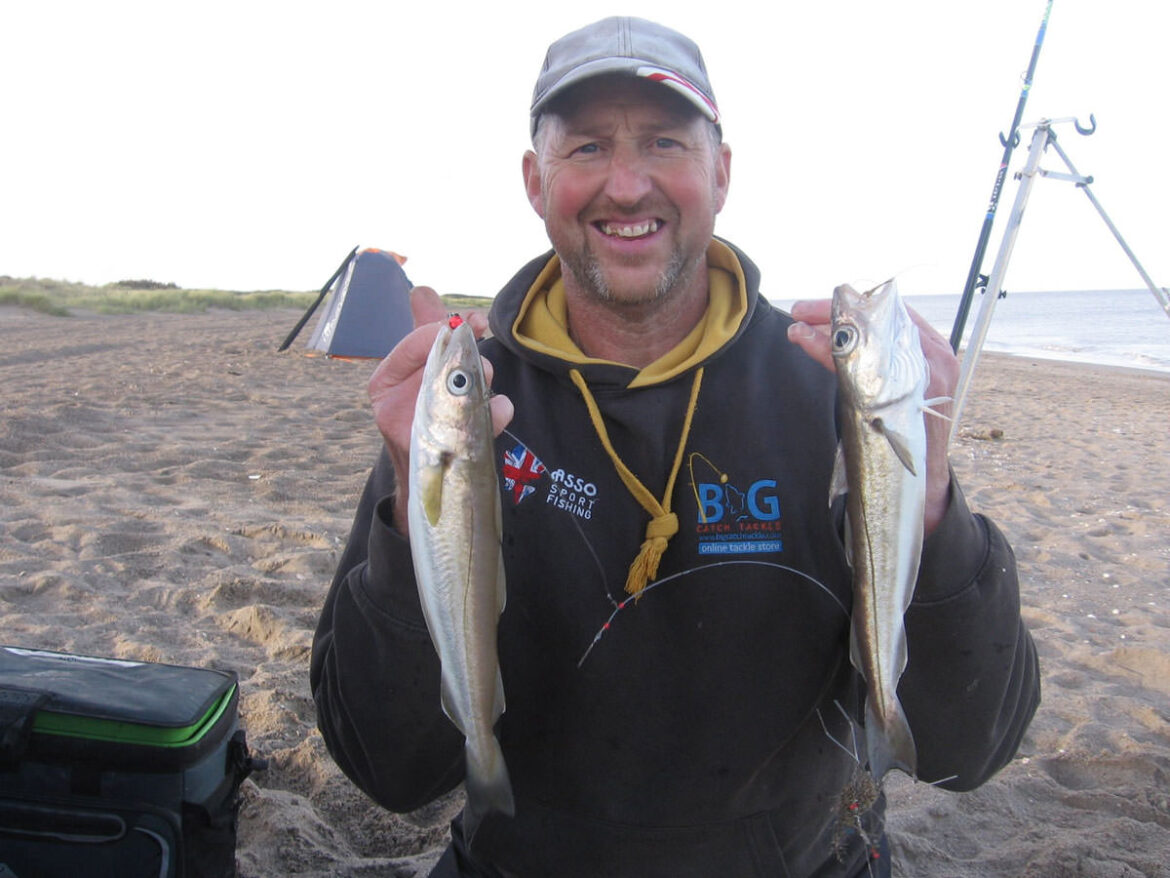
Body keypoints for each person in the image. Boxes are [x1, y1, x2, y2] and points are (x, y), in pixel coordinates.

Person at [311, 16, 1040, 878]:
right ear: (534, 181)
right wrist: (406, 503)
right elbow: (388, 771)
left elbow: (969, 749)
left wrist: (933, 504)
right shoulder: (470, 409)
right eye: (585, 148)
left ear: (721, 172)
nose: (627, 184)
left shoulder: (828, 390)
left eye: (664, 141)